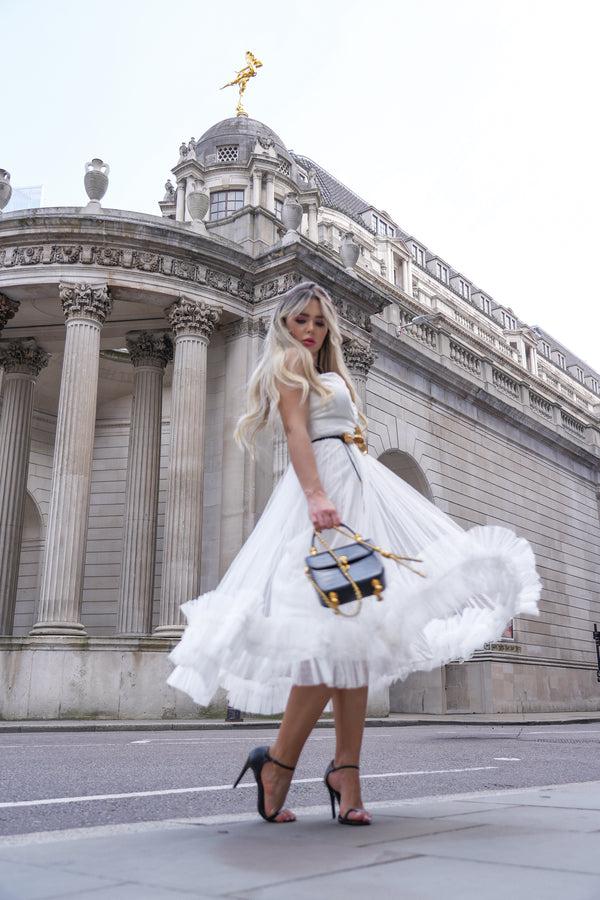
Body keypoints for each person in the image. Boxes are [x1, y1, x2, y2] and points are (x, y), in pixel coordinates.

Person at [167, 282, 541, 826]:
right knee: (330, 639)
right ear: (285, 324)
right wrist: (318, 496)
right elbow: (296, 432)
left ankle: (345, 771)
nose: (310, 330)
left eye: (318, 321)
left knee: (355, 642)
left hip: (353, 489)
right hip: (324, 496)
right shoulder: (290, 362)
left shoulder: (328, 368)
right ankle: (279, 764)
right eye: (300, 320)